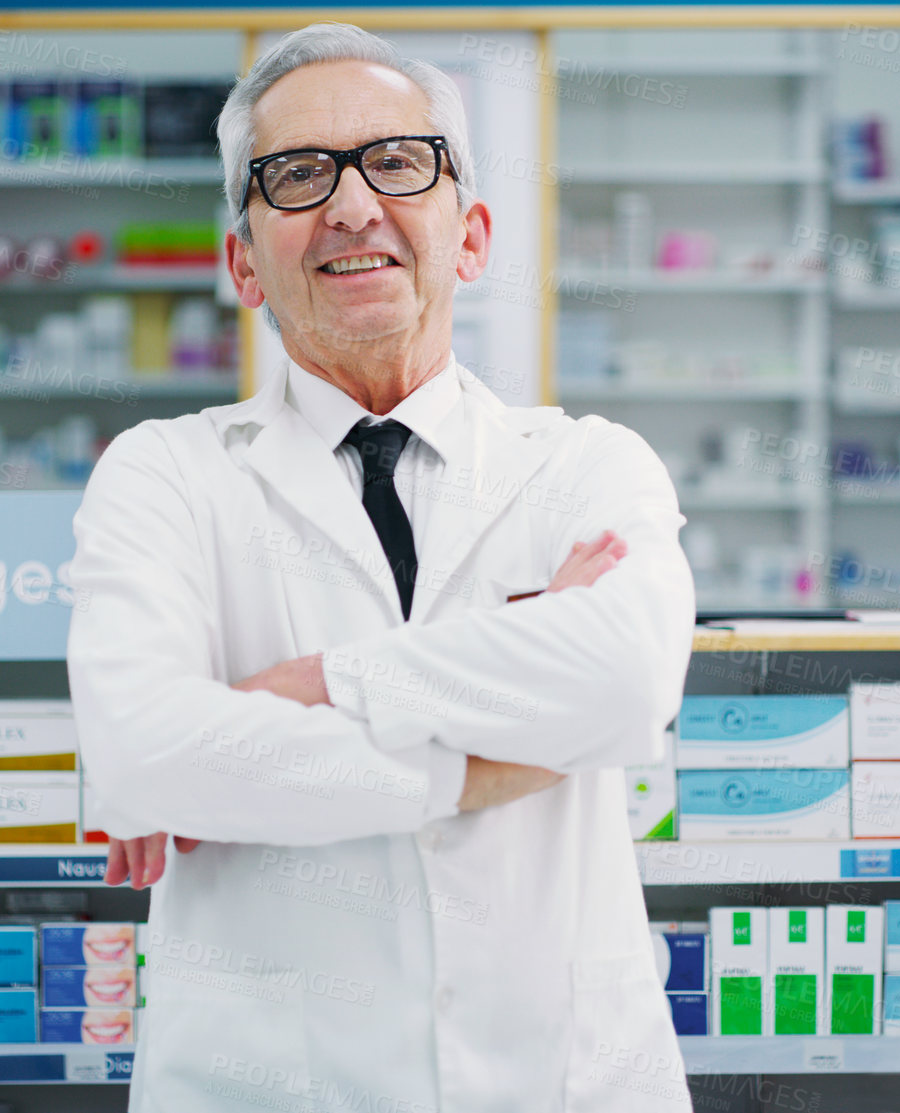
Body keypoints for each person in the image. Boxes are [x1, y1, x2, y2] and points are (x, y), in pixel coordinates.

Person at [66, 21, 695, 1112]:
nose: (353, 205)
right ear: (241, 263)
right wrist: (478, 765)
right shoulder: (161, 476)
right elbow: (146, 755)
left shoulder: (590, 464)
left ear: (472, 236)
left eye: (397, 161)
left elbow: (629, 681)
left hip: (564, 1079)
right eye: (299, 175)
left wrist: (316, 686)